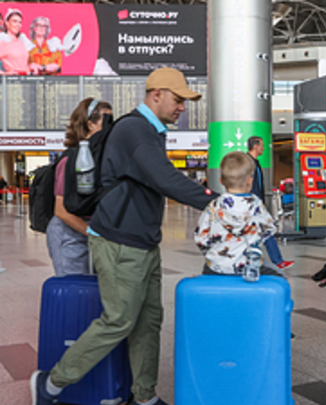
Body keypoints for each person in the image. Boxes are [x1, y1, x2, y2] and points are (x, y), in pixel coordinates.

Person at [31, 67, 219, 405]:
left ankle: (144, 397)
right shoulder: (134, 129)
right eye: (178, 100)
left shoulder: (151, 131)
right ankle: (50, 384)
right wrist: (219, 202)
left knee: (148, 322)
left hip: (143, 242)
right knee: (118, 321)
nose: (182, 108)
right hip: (118, 242)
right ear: (156, 94)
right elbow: (164, 177)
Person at [46, 98, 112, 276]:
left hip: (93, 228)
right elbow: (61, 211)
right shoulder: (70, 160)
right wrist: (91, 232)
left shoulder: (103, 158)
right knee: (73, 286)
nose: (110, 127)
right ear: (90, 124)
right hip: (68, 230)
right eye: (105, 120)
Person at [195, 151, 286, 278]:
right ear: (250, 181)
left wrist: (215, 254)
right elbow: (270, 228)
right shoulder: (256, 204)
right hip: (248, 264)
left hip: (216, 268)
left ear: (221, 181)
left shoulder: (214, 206)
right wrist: (254, 241)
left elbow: (201, 239)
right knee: (280, 276)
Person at [246, 136, 294, 270]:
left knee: (266, 231)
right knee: (262, 231)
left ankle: (276, 260)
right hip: (250, 204)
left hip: (256, 203)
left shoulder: (255, 162)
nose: (264, 148)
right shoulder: (247, 162)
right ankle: (271, 260)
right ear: (255, 146)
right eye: (262, 145)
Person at [0, 9, 32, 75]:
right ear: (7, 23)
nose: (18, 25)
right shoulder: (3, 41)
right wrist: (3, 74)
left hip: (25, 81)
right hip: (11, 82)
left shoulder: (22, 42)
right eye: (14, 21)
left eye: (20, 22)